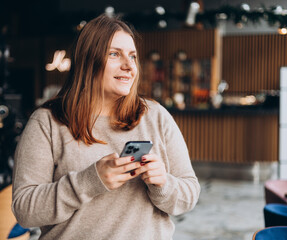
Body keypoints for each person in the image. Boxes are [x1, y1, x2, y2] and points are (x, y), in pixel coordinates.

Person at [11, 14, 200, 240]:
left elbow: (189, 194)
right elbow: (24, 211)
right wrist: (89, 181)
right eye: (114, 54)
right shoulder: (46, 122)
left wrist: (163, 183)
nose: (129, 66)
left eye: (133, 56)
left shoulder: (156, 116)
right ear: (88, 61)